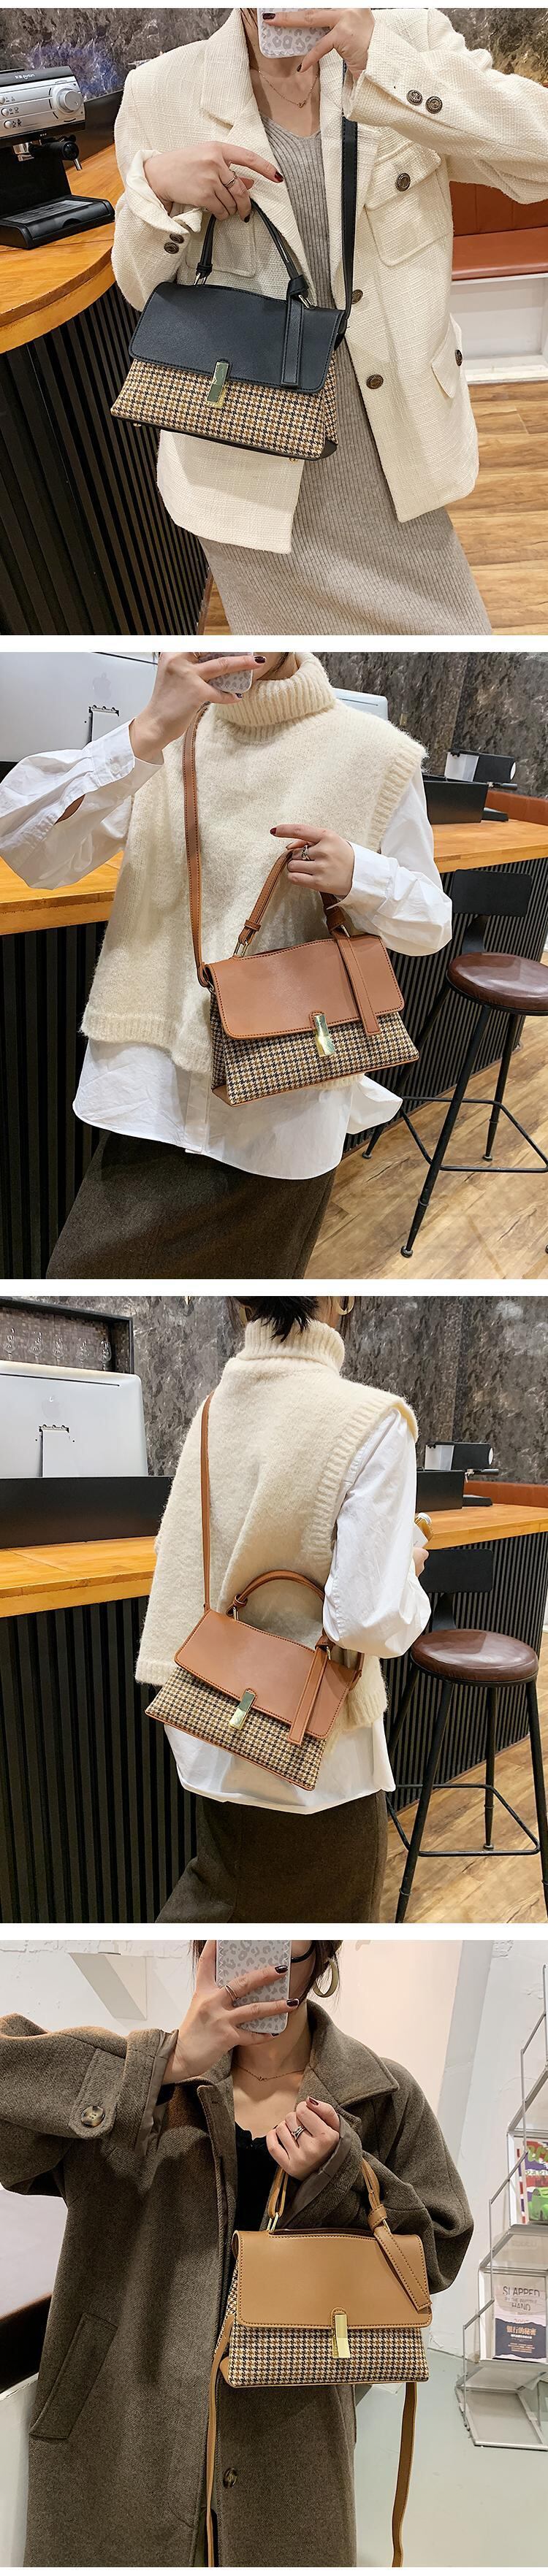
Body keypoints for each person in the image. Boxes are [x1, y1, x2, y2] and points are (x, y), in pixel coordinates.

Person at [0, 1939, 473, 2567]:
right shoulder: (149, 2079)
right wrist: (163, 2063)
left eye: (286, 1945)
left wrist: (343, 2176)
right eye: (237, 1941)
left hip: (295, 2445)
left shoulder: (382, 2097)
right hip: (122, 2433)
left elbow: (439, 2252)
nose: (261, 1961)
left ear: (322, 1954)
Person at [0, 649, 452, 1281]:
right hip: (151, 1094)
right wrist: (147, 729)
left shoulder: (378, 753)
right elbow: (31, 851)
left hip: (286, 1106)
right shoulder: (168, 735)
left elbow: (431, 926)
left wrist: (361, 875)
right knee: (80, 1280)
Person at [110, 6, 548, 636]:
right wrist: (156, 191)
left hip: (393, 445)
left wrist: (388, 66)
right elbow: (137, 287)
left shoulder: (410, 39)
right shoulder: (161, 90)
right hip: (247, 462)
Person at [137, 1293, 431, 1920]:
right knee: (314, 1924)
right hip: (319, 1756)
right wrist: (406, 1572)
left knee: (229, 1899)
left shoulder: (214, 1409)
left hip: (216, 1719)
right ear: (344, 1297)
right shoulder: (374, 1422)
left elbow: (185, 1554)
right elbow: (366, 1618)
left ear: (241, 1301)